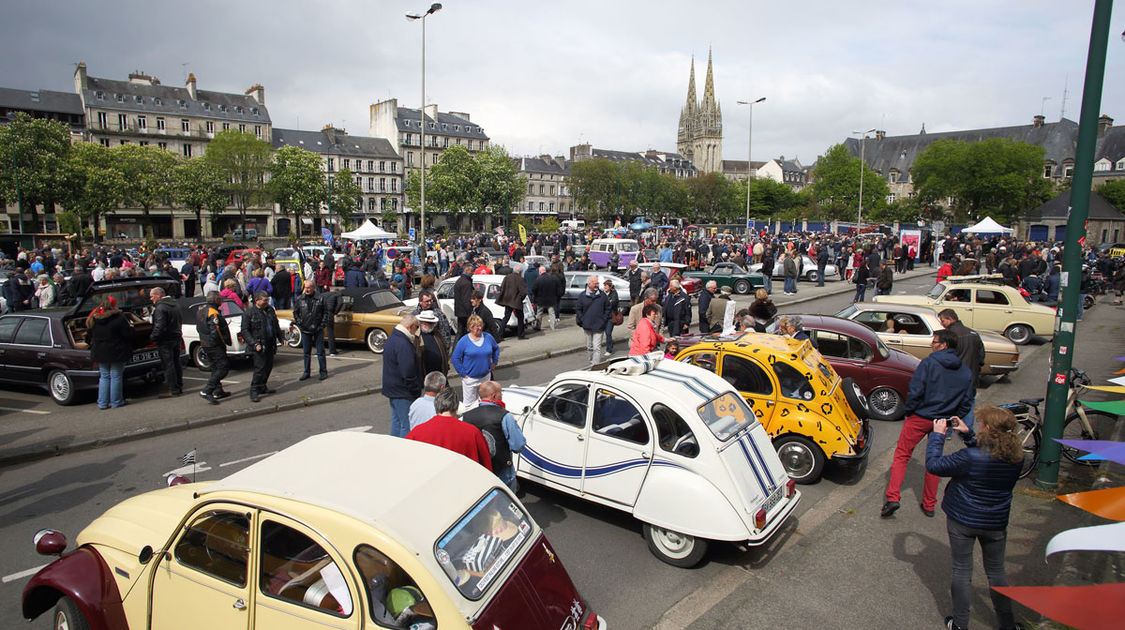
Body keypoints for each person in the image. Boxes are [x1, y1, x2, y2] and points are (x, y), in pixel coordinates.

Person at [927, 407, 1024, 630]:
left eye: (981, 424)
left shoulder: (969, 457)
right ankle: (1007, 624)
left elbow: (934, 465)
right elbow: (989, 457)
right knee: (997, 572)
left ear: (988, 429)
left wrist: (938, 436)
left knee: (962, 570)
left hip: (963, 519)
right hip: (995, 521)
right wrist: (968, 434)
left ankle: (960, 624)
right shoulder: (1017, 457)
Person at [882, 329, 973, 519]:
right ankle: (929, 504)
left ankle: (893, 497)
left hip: (920, 416)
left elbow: (916, 390)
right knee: (935, 461)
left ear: (944, 345)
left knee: (902, 455)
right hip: (943, 420)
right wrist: (952, 417)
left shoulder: (929, 364)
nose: (931, 344)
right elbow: (967, 400)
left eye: (934, 342)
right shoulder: (965, 372)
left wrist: (910, 410)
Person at [405, 387, 492, 471]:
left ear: (436, 405)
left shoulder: (417, 432)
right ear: (457, 406)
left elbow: (406, 461)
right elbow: (486, 465)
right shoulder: (472, 432)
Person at [463, 381, 527, 491]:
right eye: (500, 393)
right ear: (493, 396)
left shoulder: (467, 417)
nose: (502, 395)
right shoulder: (504, 416)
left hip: (478, 469)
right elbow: (518, 445)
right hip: (502, 470)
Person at [87, 296, 130, 409]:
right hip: (117, 350)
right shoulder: (119, 318)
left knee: (104, 376)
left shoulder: (94, 318)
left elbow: (88, 335)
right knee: (116, 376)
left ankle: (102, 403)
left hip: (100, 350)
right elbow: (128, 334)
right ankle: (116, 401)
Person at [241, 291, 284, 403]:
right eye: (265, 300)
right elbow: (245, 331)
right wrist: (254, 344)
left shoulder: (270, 310)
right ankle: (254, 390)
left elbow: (276, 324)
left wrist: (281, 337)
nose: (267, 302)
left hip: (270, 343)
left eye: (267, 300)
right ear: (257, 300)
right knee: (259, 368)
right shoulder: (249, 313)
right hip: (259, 345)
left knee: (268, 366)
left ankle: (262, 386)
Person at [384, 313, 421, 438]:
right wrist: (415, 390)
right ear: (410, 326)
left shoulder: (392, 338)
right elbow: (408, 371)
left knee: (397, 421)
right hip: (403, 391)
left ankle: (394, 447)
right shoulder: (403, 343)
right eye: (416, 328)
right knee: (406, 424)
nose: (416, 332)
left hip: (393, 389)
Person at [452, 314, 500, 405]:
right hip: (470, 379)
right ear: (470, 327)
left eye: (480, 325)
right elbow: (455, 358)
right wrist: (463, 373)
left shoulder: (488, 337)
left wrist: (494, 362)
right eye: (476, 326)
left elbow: (496, 348)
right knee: (469, 405)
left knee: (486, 402)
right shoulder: (464, 341)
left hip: (485, 377)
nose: (479, 328)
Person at [196, 291, 232, 405]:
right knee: (223, 368)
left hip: (205, 343)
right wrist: (222, 342)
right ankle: (207, 390)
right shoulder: (213, 312)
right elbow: (215, 331)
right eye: (220, 299)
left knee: (215, 368)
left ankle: (218, 391)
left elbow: (199, 327)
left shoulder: (201, 310)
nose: (221, 301)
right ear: (216, 300)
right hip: (214, 345)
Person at [149, 286, 184, 398]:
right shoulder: (175, 304)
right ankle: (178, 386)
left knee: (168, 365)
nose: (151, 299)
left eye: (152, 296)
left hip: (165, 340)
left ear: (159, 295)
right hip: (176, 336)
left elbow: (160, 326)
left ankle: (173, 389)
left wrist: (152, 337)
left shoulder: (161, 308)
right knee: (176, 362)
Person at [293, 280, 328, 381]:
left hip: (318, 329)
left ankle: (323, 371)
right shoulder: (300, 299)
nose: (307, 290)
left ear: (313, 288)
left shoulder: (320, 298)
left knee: (320, 351)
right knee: (306, 352)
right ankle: (306, 372)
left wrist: (321, 325)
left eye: (309, 287)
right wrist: (300, 324)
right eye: (305, 287)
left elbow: (326, 313)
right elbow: (296, 313)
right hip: (305, 329)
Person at [575, 275, 611, 364]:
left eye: (597, 283)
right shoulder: (582, 296)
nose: (597, 285)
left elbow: (608, 308)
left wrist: (603, 320)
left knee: (597, 347)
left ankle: (595, 365)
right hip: (587, 325)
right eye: (595, 283)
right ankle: (591, 361)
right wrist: (582, 320)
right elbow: (578, 309)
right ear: (589, 284)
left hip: (599, 326)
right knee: (589, 346)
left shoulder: (602, 295)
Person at [496, 264, 528, 340]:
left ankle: (499, 335)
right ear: (520, 272)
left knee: (506, 318)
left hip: (508, 300)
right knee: (520, 318)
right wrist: (520, 298)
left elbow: (502, 288)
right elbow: (523, 292)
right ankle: (521, 335)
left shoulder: (507, 277)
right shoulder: (520, 279)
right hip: (516, 301)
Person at [416, 310, 449, 377]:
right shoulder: (416, 336)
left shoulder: (437, 334)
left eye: (433, 323)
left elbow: (444, 349)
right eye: (430, 323)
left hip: (440, 373)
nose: (433, 325)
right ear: (422, 323)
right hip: (425, 375)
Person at [533, 263, 564, 330]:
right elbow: (558, 289)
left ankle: (538, 326)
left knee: (539, 313)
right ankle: (553, 327)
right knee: (552, 313)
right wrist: (557, 296)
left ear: (540, 272)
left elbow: (534, 289)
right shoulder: (553, 278)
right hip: (551, 299)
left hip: (540, 299)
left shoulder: (538, 279)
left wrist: (536, 296)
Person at [453, 264, 474, 337]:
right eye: (471, 271)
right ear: (466, 270)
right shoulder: (466, 283)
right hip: (464, 312)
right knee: (462, 332)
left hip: (460, 311)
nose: (472, 273)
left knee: (461, 332)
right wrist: (470, 313)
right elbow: (466, 300)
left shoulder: (461, 280)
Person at [320, 287, 342, 356]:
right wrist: (335, 312)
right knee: (330, 332)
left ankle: (319, 351)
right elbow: (340, 303)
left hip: (321, 313)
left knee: (319, 333)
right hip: (329, 313)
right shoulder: (338, 295)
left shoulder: (324, 294)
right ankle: (332, 351)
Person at [603, 277, 621, 355]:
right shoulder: (603, 294)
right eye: (604, 286)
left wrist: (608, 303)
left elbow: (613, 303)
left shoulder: (614, 293)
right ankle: (610, 345)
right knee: (606, 333)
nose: (605, 288)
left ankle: (609, 350)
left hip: (611, 316)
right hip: (604, 316)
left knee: (608, 332)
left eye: (606, 286)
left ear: (610, 287)